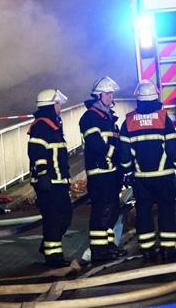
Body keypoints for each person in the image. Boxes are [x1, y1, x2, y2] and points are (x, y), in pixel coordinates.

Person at [119, 80, 176, 263]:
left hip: (141, 179)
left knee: (144, 213)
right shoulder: (163, 118)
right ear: (155, 97)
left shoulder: (129, 121)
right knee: (167, 211)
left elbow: (124, 152)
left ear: (138, 99)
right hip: (164, 176)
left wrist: (127, 172)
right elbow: (173, 147)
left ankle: (148, 251)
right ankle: (167, 248)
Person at [79, 76, 125, 264]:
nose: (111, 96)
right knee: (101, 212)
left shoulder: (108, 118)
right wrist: (117, 155)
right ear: (99, 96)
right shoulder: (90, 118)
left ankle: (108, 246)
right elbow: (96, 145)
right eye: (108, 93)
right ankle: (99, 251)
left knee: (111, 210)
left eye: (111, 93)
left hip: (111, 173)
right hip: (100, 173)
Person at [27, 88, 73, 267]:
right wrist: (43, 174)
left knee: (65, 216)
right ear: (50, 106)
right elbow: (35, 151)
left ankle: (48, 246)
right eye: (58, 104)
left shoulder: (53, 125)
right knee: (53, 219)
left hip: (58, 182)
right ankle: (53, 258)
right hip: (49, 183)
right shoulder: (41, 126)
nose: (60, 107)